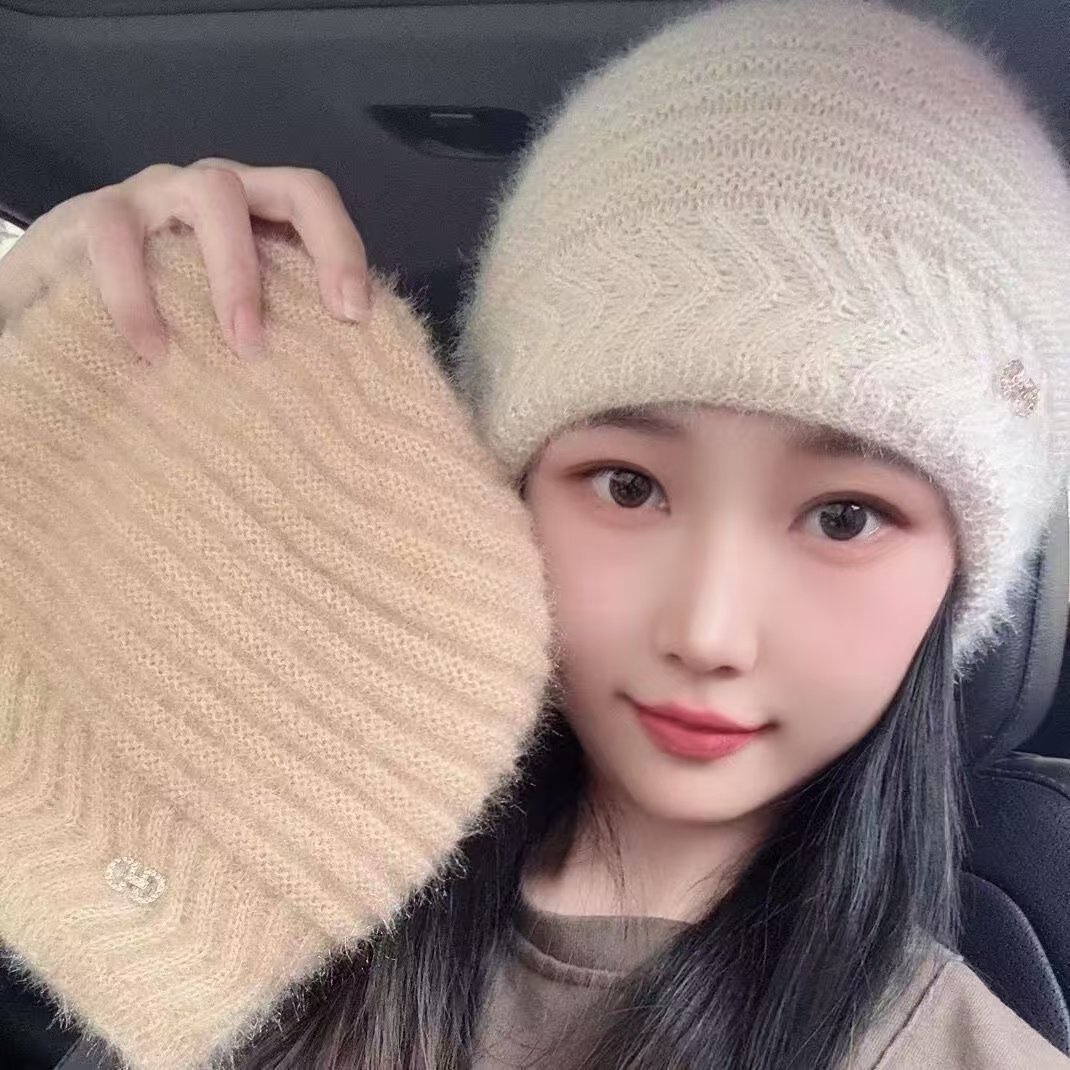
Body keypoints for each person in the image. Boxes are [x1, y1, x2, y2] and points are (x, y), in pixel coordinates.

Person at [1, 0, 1069, 1067]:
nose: (707, 631)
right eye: (626, 486)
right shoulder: (256, 873)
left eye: (844, 516)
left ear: (960, 575)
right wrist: (40, 341)